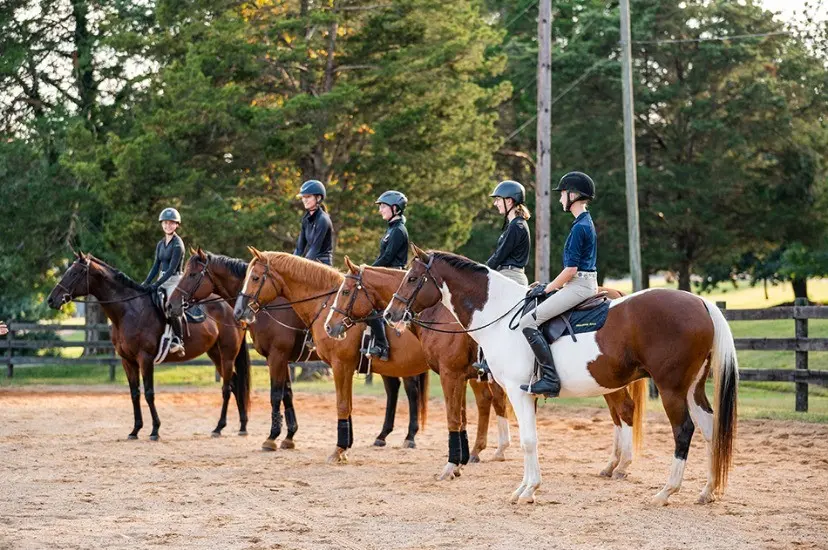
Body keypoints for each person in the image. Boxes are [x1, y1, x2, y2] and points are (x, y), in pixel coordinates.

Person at [518, 171, 598, 398]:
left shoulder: (579, 227)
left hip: (578, 286)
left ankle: (551, 379)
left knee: (528, 321)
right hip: (582, 283)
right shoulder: (585, 222)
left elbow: (571, 270)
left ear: (573, 195)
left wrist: (548, 287)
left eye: (562, 194)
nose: (561, 199)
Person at [364, 190, 409, 360]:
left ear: (395, 208)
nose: (380, 210)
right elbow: (383, 257)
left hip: (394, 276)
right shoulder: (391, 229)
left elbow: (388, 257)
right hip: (386, 274)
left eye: (383, 206)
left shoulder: (398, 230)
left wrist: (368, 270)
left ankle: (382, 346)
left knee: (370, 308)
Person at [143, 207, 187, 355]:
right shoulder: (160, 244)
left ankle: (178, 340)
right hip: (162, 278)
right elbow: (156, 266)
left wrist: (156, 284)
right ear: (162, 224)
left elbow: (171, 269)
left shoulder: (178, 245)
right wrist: (146, 283)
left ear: (177, 225)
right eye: (165, 223)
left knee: (172, 305)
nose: (168, 225)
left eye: (171, 223)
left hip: (174, 280)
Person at [486, 180, 531, 286]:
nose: (495, 203)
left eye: (498, 199)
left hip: (511, 277)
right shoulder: (513, 225)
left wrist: (481, 270)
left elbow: (500, 255)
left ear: (509, 201)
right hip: (505, 274)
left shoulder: (517, 226)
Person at [294, 179, 334, 266]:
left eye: (308, 197)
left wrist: (302, 266)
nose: (304, 200)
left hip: (323, 265)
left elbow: (315, 248)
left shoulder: (323, 219)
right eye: (303, 197)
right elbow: (299, 249)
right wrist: (290, 263)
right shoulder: (306, 219)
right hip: (312, 262)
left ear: (318, 198)